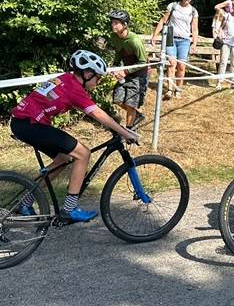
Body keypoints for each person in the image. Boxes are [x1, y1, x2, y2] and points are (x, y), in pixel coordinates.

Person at [10, 50, 139, 223]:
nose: (98, 82)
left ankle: (25, 203)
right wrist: (126, 132)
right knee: (83, 153)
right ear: (87, 74)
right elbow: (97, 114)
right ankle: (69, 210)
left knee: (63, 158)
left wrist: (114, 126)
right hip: (31, 124)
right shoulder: (74, 89)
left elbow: (85, 108)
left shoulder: (66, 79)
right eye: (97, 78)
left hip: (22, 123)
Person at [151, 0, 199, 99]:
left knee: (181, 66)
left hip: (185, 40)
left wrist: (194, 43)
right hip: (170, 37)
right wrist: (155, 35)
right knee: (172, 64)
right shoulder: (173, 6)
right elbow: (163, 20)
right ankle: (169, 89)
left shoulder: (193, 11)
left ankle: (178, 89)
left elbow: (195, 29)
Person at [106, 9, 150, 130]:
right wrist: (115, 67)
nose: (113, 25)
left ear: (125, 25)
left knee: (131, 103)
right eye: (112, 22)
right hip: (125, 71)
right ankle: (138, 115)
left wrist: (125, 72)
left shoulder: (134, 41)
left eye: (116, 23)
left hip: (139, 74)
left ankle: (129, 129)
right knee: (117, 99)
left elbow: (143, 62)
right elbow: (119, 52)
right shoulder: (114, 37)